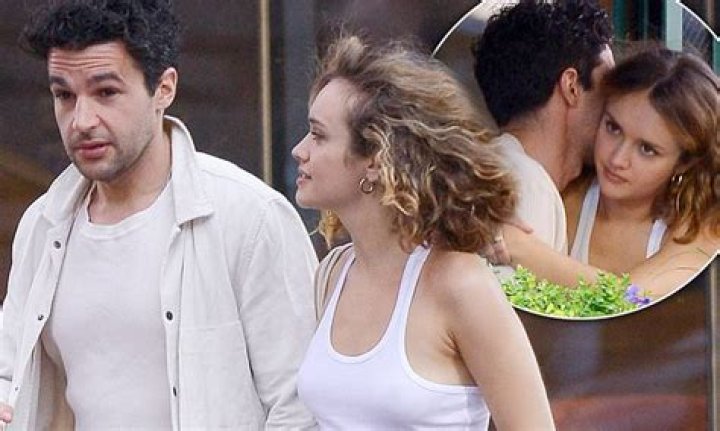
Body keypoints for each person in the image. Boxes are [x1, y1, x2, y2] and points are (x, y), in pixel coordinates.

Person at [0, 0, 317, 429]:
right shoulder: (44, 224)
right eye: (64, 96)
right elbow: (11, 374)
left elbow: (301, 404)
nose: (82, 120)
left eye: (106, 92)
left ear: (164, 89)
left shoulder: (250, 217)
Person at [292, 34, 555, 430]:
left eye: (319, 135)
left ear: (375, 161)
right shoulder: (334, 272)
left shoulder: (459, 283)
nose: (299, 150)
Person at [500, 48, 719, 300]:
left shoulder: (699, 227)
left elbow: (632, 300)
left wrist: (522, 248)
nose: (617, 159)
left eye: (647, 149)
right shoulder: (562, 197)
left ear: (684, 163)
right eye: (613, 128)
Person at [472, 0, 614, 254]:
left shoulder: (494, 169)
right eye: (609, 86)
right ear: (571, 87)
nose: (617, 103)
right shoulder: (526, 186)